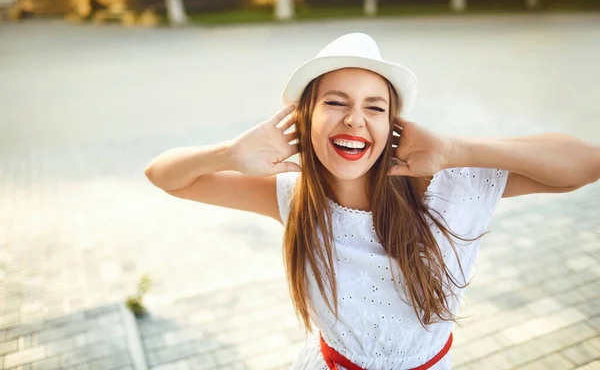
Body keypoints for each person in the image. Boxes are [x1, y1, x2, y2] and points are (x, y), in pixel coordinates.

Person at [144, 33, 600, 369]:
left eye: (375, 107)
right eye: (335, 103)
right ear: (305, 119)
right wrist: (228, 154)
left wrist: (460, 151)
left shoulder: (448, 184)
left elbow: (584, 164)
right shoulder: (293, 193)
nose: (355, 120)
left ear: (394, 126)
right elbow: (165, 176)